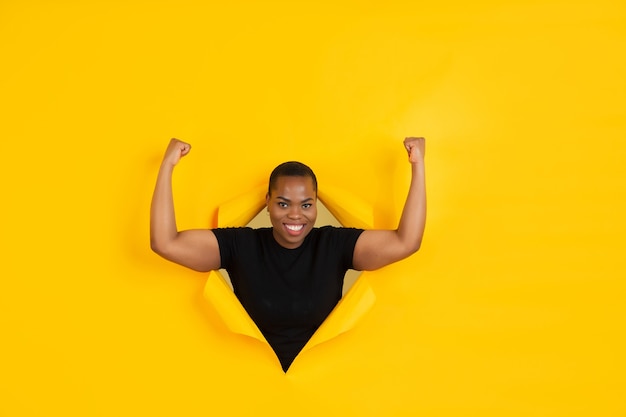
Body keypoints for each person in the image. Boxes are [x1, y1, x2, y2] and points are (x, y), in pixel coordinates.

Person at [150, 137, 426, 371]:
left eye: (306, 205)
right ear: (267, 202)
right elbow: (166, 242)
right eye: (283, 203)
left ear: (316, 204)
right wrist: (167, 165)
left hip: (326, 381)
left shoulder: (333, 244)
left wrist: (418, 166)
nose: (295, 214)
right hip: (249, 380)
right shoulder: (240, 244)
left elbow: (406, 242)